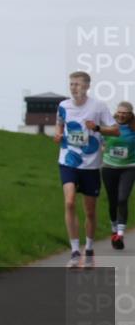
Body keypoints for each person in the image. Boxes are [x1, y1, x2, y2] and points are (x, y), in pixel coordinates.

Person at [54, 71, 116, 269]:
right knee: (70, 202)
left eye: (77, 84)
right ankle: (74, 252)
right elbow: (59, 125)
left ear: (87, 86)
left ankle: (89, 250)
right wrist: (58, 135)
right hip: (68, 161)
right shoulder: (63, 105)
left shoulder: (98, 106)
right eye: (71, 84)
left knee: (90, 211)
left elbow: (115, 130)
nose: (74, 87)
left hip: (90, 165)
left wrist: (96, 128)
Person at [100, 100, 134, 250]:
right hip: (109, 167)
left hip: (129, 168)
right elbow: (100, 142)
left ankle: (120, 234)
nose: (121, 115)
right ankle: (114, 229)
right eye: (119, 112)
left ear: (130, 115)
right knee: (112, 201)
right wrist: (103, 147)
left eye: (125, 113)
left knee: (122, 199)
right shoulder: (109, 126)